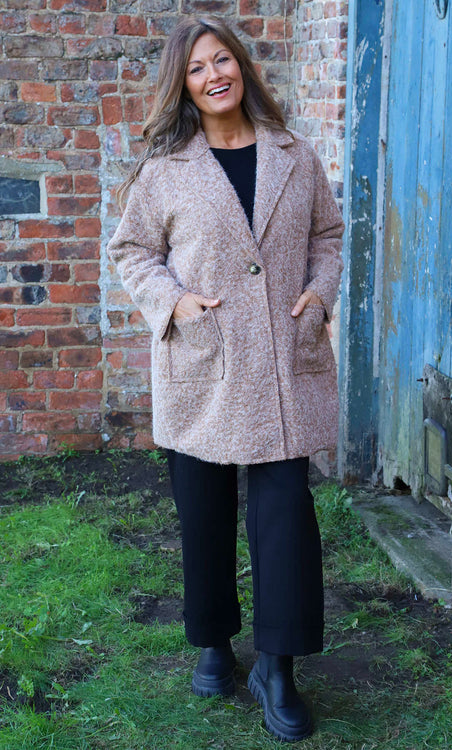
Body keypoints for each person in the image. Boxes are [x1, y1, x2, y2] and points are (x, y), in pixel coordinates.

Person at [107, 14, 344, 743]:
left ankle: (278, 666)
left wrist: (319, 293)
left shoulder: (294, 154)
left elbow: (327, 236)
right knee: (202, 513)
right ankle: (213, 642)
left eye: (223, 60)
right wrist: (174, 302)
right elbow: (132, 251)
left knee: (285, 517)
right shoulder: (165, 169)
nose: (215, 75)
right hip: (204, 365)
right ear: (183, 85)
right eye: (198, 68)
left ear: (242, 66)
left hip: (282, 365)